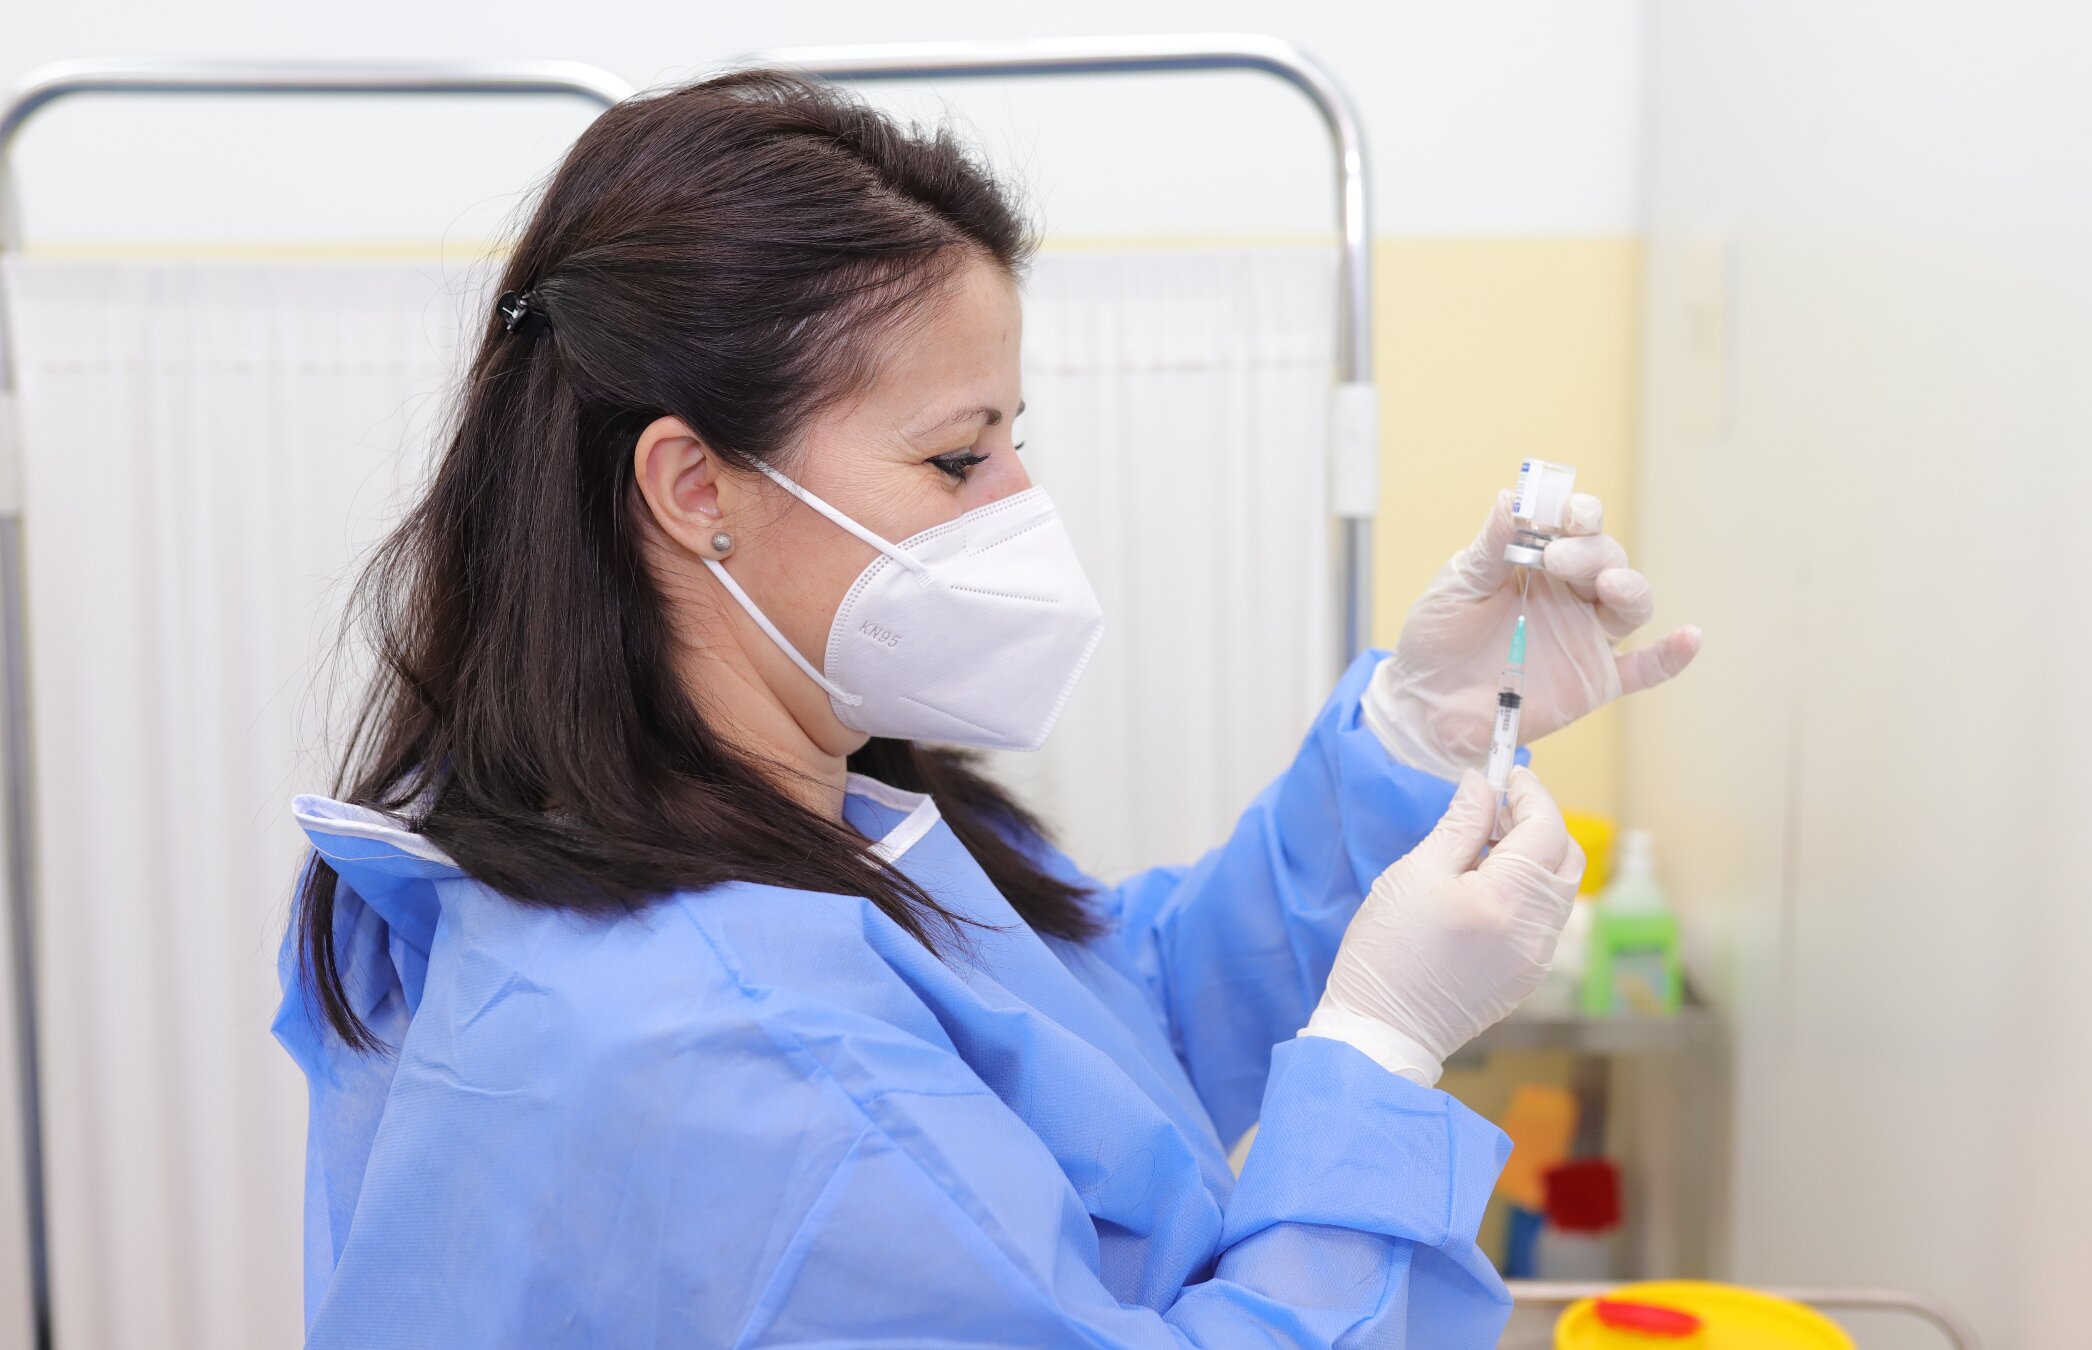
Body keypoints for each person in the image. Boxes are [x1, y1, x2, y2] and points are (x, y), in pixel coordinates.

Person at [274, 68, 1702, 1348]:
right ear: (694, 485)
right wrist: (1380, 1050)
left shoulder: (752, 821)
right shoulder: (729, 1042)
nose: (1021, 509)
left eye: (1015, 439)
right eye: (959, 459)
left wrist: (1416, 734)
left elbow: (1107, 1035)